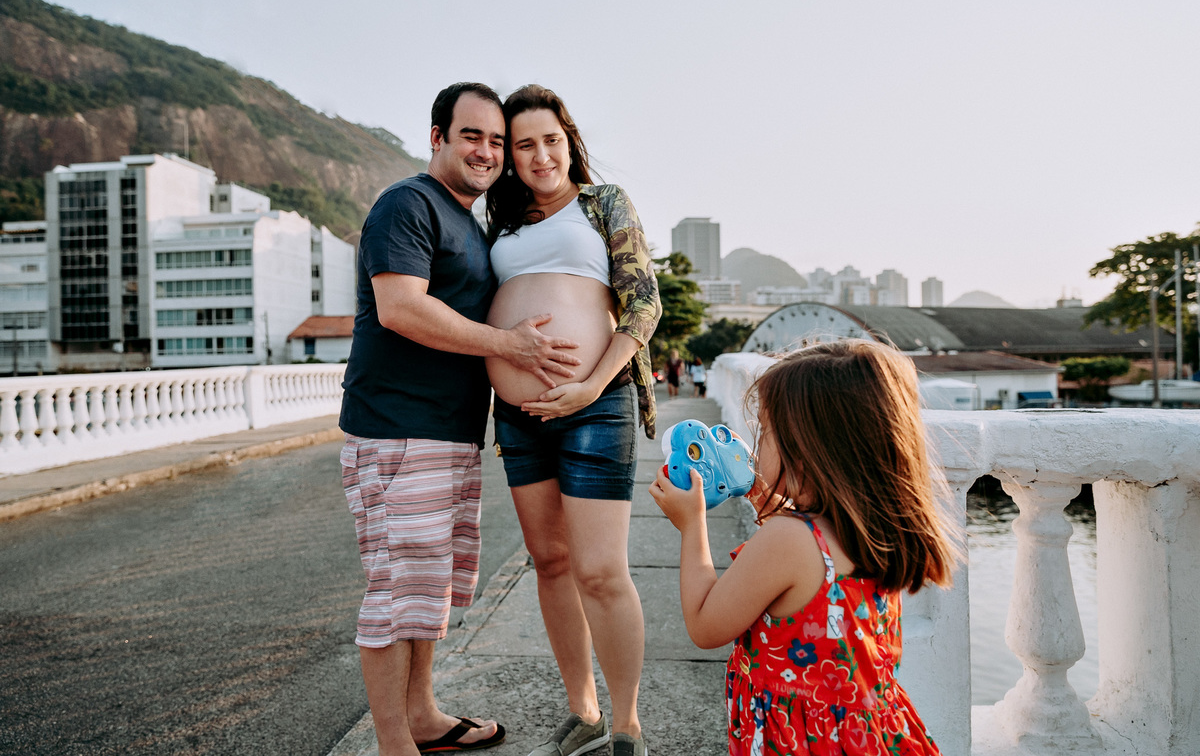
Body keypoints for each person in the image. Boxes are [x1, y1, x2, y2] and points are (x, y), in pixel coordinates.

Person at [339, 82, 584, 756]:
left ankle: (421, 716)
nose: (486, 150)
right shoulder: (407, 204)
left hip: (448, 432)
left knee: (429, 586)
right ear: (437, 137)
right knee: (395, 590)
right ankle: (395, 743)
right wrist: (511, 345)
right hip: (395, 429)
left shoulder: (467, 223)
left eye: (496, 141)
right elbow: (401, 308)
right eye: (471, 135)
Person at [649, 339, 962, 755]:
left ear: (807, 449)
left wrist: (692, 526)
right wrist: (768, 502)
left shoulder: (788, 541)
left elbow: (706, 625)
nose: (754, 445)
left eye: (765, 430)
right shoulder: (875, 528)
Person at [485, 84, 661, 756]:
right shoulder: (501, 222)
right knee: (550, 562)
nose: (539, 155)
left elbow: (643, 306)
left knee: (600, 570)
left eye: (549, 139)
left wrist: (588, 386)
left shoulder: (603, 203)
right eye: (524, 144)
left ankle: (625, 726)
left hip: (597, 403)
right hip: (520, 414)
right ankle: (582, 711)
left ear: (569, 139)